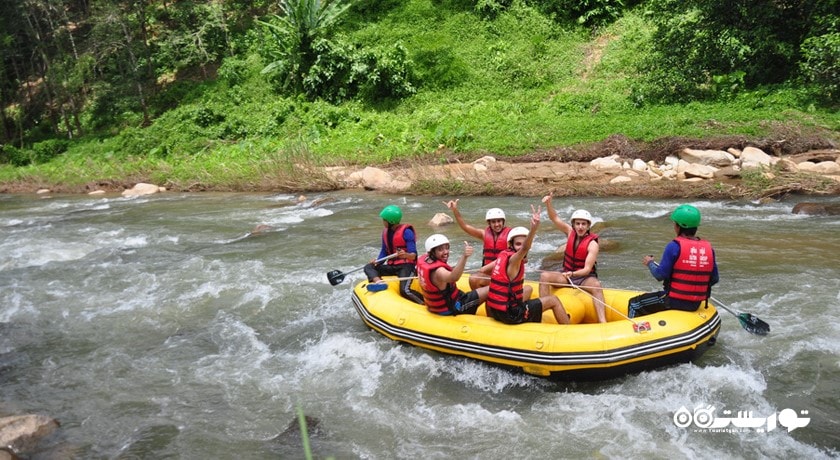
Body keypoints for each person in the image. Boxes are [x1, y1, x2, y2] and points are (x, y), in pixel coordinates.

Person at [481, 205, 570, 325]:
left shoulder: (503, 255)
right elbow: (524, 248)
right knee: (553, 300)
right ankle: (567, 329)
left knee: (528, 288)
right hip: (511, 314)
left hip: (495, 310)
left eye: (521, 244)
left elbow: (484, 270)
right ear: (511, 244)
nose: (520, 247)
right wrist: (534, 228)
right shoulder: (514, 259)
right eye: (517, 244)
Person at [631, 204, 719, 317]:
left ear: (678, 226)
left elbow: (659, 275)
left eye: (674, 223)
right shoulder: (708, 249)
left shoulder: (674, 246)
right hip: (696, 303)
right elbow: (715, 279)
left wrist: (650, 263)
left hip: (674, 300)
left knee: (634, 303)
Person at [538, 193, 607, 323]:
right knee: (544, 277)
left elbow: (587, 269)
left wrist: (573, 273)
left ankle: (603, 322)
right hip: (567, 275)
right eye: (578, 224)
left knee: (597, 286)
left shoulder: (592, 244)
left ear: (588, 226)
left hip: (584, 278)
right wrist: (548, 204)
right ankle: (545, 316)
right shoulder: (570, 232)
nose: (580, 227)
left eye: (583, 224)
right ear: (574, 225)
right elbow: (555, 218)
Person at [442, 199, 511, 289]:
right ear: (489, 223)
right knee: (473, 279)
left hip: (504, 276)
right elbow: (465, 226)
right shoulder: (484, 234)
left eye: (499, 221)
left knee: (474, 278)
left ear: (503, 221)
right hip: (488, 275)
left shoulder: (510, 236)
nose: (497, 224)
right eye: (493, 222)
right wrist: (455, 210)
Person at [363, 204, 424, 304]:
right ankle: (379, 282)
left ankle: (423, 303)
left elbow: (413, 255)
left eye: (384, 220)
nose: (383, 222)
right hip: (393, 266)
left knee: (405, 290)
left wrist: (406, 255)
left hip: (406, 266)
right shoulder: (385, 232)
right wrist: (377, 262)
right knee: (369, 267)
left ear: (390, 222)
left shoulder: (407, 232)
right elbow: (384, 251)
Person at [417, 234, 490, 315]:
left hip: (444, 303)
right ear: (432, 252)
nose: (446, 252)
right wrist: (464, 256)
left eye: (447, 248)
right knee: (491, 289)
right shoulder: (439, 271)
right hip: (453, 307)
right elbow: (454, 277)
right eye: (440, 250)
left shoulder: (424, 260)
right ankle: (492, 317)